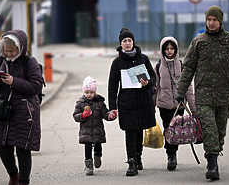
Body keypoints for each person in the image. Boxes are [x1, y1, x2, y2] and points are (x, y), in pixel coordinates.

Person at [176, 5, 229, 181]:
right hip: (203, 96)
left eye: (214, 20)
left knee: (220, 131)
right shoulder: (198, 42)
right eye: (209, 20)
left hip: (223, 96)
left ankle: (215, 153)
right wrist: (181, 91)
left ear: (220, 21)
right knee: (210, 129)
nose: (211, 23)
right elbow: (188, 68)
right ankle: (211, 164)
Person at [0, 29, 43, 185]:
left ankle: (24, 182)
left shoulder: (29, 61)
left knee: (22, 148)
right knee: (2, 148)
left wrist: (14, 82)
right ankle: (13, 175)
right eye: (6, 51)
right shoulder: (1, 60)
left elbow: (36, 86)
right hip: (3, 112)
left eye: (11, 51)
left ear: (20, 48)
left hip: (24, 112)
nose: (8, 54)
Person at [108, 27, 156, 176]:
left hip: (142, 101)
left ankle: (138, 157)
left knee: (139, 130)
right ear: (120, 44)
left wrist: (147, 83)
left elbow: (153, 78)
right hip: (126, 103)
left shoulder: (143, 58)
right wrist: (112, 107)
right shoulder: (117, 62)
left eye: (129, 40)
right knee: (130, 131)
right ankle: (131, 162)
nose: (127, 43)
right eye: (124, 41)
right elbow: (112, 85)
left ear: (133, 42)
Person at [153, 36, 196, 171]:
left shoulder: (182, 66)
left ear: (176, 50)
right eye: (167, 49)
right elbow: (155, 87)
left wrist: (193, 108)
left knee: (177, 130)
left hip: (179, 105)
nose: (170, 51)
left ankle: (174, 152)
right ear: (162, 50)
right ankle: (170, 155)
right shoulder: (159, 67)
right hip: (164, 105)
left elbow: (188, 88)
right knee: (168, 129)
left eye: (172, 48)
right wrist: (151, 107)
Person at [73, 76, 117, 176]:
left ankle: (98, 156)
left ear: (95, 92)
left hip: (97, 130)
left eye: (91, 92)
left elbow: (105, 114)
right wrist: (83, 115)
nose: (89, 94)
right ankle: (88, 165)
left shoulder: (100, 103)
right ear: (84, 92)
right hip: (86, 131)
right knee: (87, 148)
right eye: (87, 92)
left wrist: (110, 116)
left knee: (98, 147)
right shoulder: (80, 103)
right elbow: (75, 116)